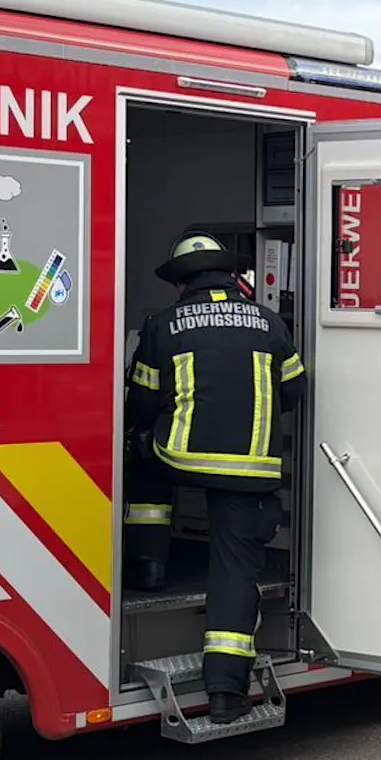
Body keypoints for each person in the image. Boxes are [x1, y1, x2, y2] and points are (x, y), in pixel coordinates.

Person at [126, 230, 307, 724]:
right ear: (232, 276)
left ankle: (148, 565)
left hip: (179, 456)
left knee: (139, 454)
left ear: (181, 284)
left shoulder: (162, 325)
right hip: (249, 469)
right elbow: (295, 390)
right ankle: (226, 694)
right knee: (234, 569)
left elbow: (139, 402)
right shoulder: (269, 323)